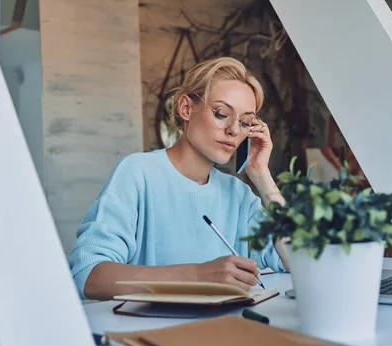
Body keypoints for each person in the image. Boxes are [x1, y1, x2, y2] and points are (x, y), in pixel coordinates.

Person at [70, 57, 287, 300]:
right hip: (151, 331)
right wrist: (197, 276)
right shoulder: (138, 173)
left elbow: (300, 260)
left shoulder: (239, 195)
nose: (234, 131)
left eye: (245, 122)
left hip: (224, 329)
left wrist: (262, 175)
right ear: (186, 108)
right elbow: (88, 275)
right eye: (221, 113)